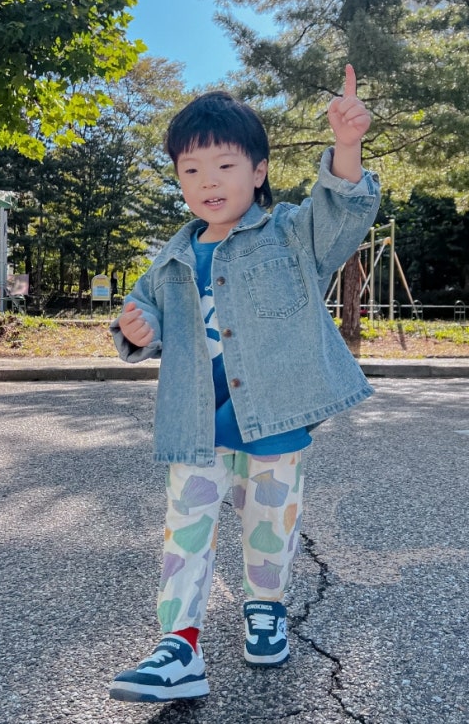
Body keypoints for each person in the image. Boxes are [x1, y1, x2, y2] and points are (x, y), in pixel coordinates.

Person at [108, 64, 381, 703]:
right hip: (195, 422)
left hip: (275, 417)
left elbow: (342, 212)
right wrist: (137, 327)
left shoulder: (290, 234)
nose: (208, 181)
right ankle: (179, 645)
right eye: (191, 170)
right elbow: (140, 314)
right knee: (185, 531)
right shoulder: (171, 258)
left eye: (224, 165)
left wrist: (346, 146)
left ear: (258, 171)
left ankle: (266, 607)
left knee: (269, 525)